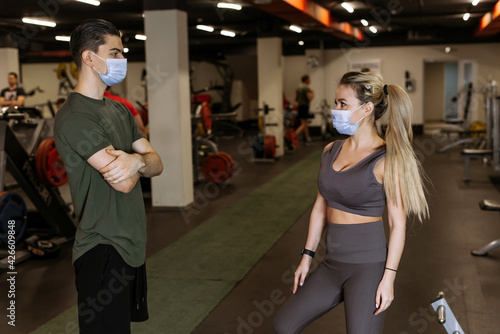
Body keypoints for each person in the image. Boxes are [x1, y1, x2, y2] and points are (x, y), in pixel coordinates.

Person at [273, 71, 429, 334]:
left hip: (368, 267)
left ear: (367, 108)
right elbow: (320, 207)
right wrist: (306, 258)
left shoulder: (386, 159)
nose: (336, 110)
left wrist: (388, 278)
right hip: (333, 263)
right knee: (283, 325)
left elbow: (398, 224)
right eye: (336, 103)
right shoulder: (330, 150)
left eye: (343, 104)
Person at [54, 19, 163, 333]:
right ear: (89, 57)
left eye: (122, 53)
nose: (121, 61)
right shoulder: (75, 115)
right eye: (114, 53)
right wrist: (138, 162)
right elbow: (126, 182)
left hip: (131, 245)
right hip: (101, 249)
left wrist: (135, 161)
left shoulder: (120, 111)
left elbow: (156, 163)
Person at [294, 74, 314, 142]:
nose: (310, 80)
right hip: (304, 107)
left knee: (305, 123)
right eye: (309, 79)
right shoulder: (306, 88)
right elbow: (309, 98)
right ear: (306, 80)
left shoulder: (298, 87)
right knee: (304, 124)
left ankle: (308, 138)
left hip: (299, 107)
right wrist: (313, 94)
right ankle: (294, 136)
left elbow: (295, 98)